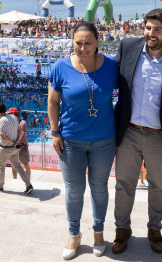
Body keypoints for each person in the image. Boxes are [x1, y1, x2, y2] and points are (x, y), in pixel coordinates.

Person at [112, 9, 162, 255]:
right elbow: (108, 77)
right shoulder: (128, 47)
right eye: (148, 28)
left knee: (158, 186)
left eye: (157, 29)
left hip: (159, 134)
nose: (151, 33)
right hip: (129, 131)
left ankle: (154, 229)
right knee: (124, 185)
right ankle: (122, 230)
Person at [48, 22, 118, 259]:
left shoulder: (110, 66)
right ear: (72, 42)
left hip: (104, 140)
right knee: (74, 191)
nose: (83, 48)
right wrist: (55, 132)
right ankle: (74, 234)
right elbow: (52, 102)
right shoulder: (61, 67)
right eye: (78, 43)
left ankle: (98, 233)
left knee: (99, 189)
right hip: (71, 141)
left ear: (98, 42)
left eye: (88, 43)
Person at [0, 101, 33, 195]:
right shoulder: (13, 117)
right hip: (15, 149)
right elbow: (20, 131)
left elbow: (3, 137)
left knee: (1, 167)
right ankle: (28, 184)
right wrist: (17, 142)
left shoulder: (0, 121)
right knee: (18, 166)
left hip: (5, 148)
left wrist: (13, 143)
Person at [8, 107, 31, 181]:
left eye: (9, 114)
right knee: (13, 165)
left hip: (22, 147)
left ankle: (28, 181)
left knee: (26, 164)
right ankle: (14, 180)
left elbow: (20, 135)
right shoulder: (11, 123)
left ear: (14, 114)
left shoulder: (22, 123)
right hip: (14, 146)